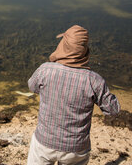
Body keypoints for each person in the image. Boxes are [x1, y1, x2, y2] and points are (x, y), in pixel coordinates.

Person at [27, 25, 120, 165]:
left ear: (63, 45)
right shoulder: (94, 80)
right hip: (75, 148)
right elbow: (113, 110)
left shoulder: (45, 70)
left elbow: (32, 87)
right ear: (85, 50)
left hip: (44, 143)